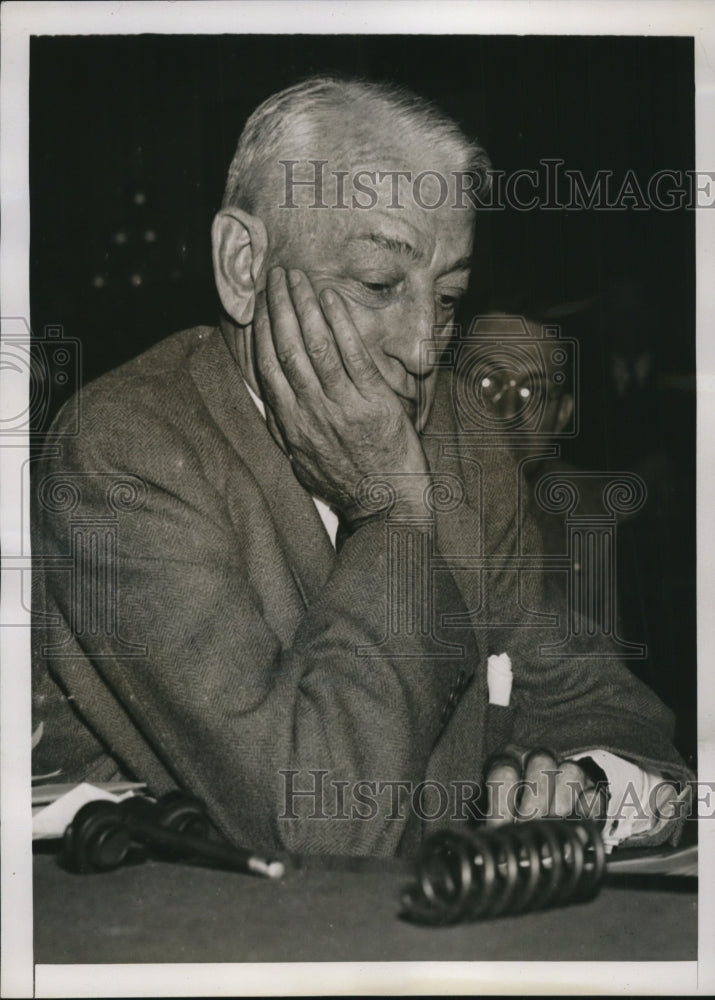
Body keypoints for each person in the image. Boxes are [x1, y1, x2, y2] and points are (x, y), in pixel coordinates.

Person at [32, 77, 690, 857]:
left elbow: (618, 717)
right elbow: (321, 826)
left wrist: (583, 783)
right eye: (379, 286)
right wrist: (391, 512)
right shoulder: (122, 450)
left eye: (447, 298)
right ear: (243, 264)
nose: (421, 348)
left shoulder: (462, 438)